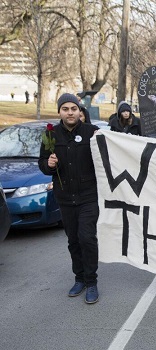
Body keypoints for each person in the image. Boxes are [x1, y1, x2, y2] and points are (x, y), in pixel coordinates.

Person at [38, 93, 100, 304]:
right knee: (73, 240)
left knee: (86, 237)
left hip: (88, 196)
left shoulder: (92, 132)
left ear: (79, 111)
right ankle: (79, 278)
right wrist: (49, 165)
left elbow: (110, 156)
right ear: (60, 112)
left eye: (74, 109)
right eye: (65, 109)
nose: (70, 112)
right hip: (65, 197)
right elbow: (43, 163)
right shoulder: (51, 134)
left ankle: (92, 282)